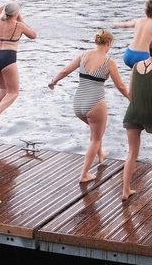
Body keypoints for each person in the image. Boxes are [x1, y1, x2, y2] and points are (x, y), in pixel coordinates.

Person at [48, 30, 129, 184]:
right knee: (96, 138)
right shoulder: (109, 61)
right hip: (95, 103)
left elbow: (65, 70)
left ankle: (101, 155)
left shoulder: (83, 55)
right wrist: (133, 100)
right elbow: (121, 86)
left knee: (95, 133)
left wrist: (53, 81)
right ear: (109, 43)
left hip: (78, 103)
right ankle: (84, 174)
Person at [121, 38, 152, 201]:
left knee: (132, 152)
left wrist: (136, 105)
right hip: (151, 112)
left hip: (133, 111)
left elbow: (130, 91)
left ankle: (126, 190)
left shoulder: (136, 66)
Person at [0, 0, 37, 131]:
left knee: (2, 88)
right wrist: (21, 19)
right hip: (7, 57)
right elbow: (33, 35)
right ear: (17, 14)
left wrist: (7, 3)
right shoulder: (19, 25)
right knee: (13, 92)